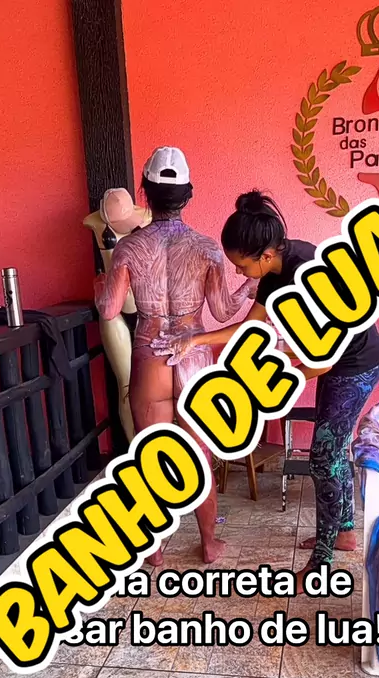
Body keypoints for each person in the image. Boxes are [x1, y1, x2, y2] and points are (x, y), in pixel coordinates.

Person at [151, 190, 379, 591]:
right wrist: (196, 339)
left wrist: (271, 380)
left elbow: (322, 363)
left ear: (264, 255)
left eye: (242, 265)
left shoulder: (306, 271)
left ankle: (322, 561)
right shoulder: (274, 271)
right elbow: (251, 326)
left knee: (324, 457)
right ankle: (344, 531)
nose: (239, 272)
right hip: (336, 364)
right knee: (332, 450)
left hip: (357, 365)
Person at [94, 148, 257, 566]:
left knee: (151, 457)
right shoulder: (207, 248)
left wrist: (99, 289)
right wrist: (247, 290)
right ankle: (209, 543)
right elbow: (222, 311)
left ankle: (153, 549)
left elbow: (110, 310)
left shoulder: (129, 248)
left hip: (149, 355)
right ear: (188, 195)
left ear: (145, 193)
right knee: (199, 455)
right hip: (193, 356)